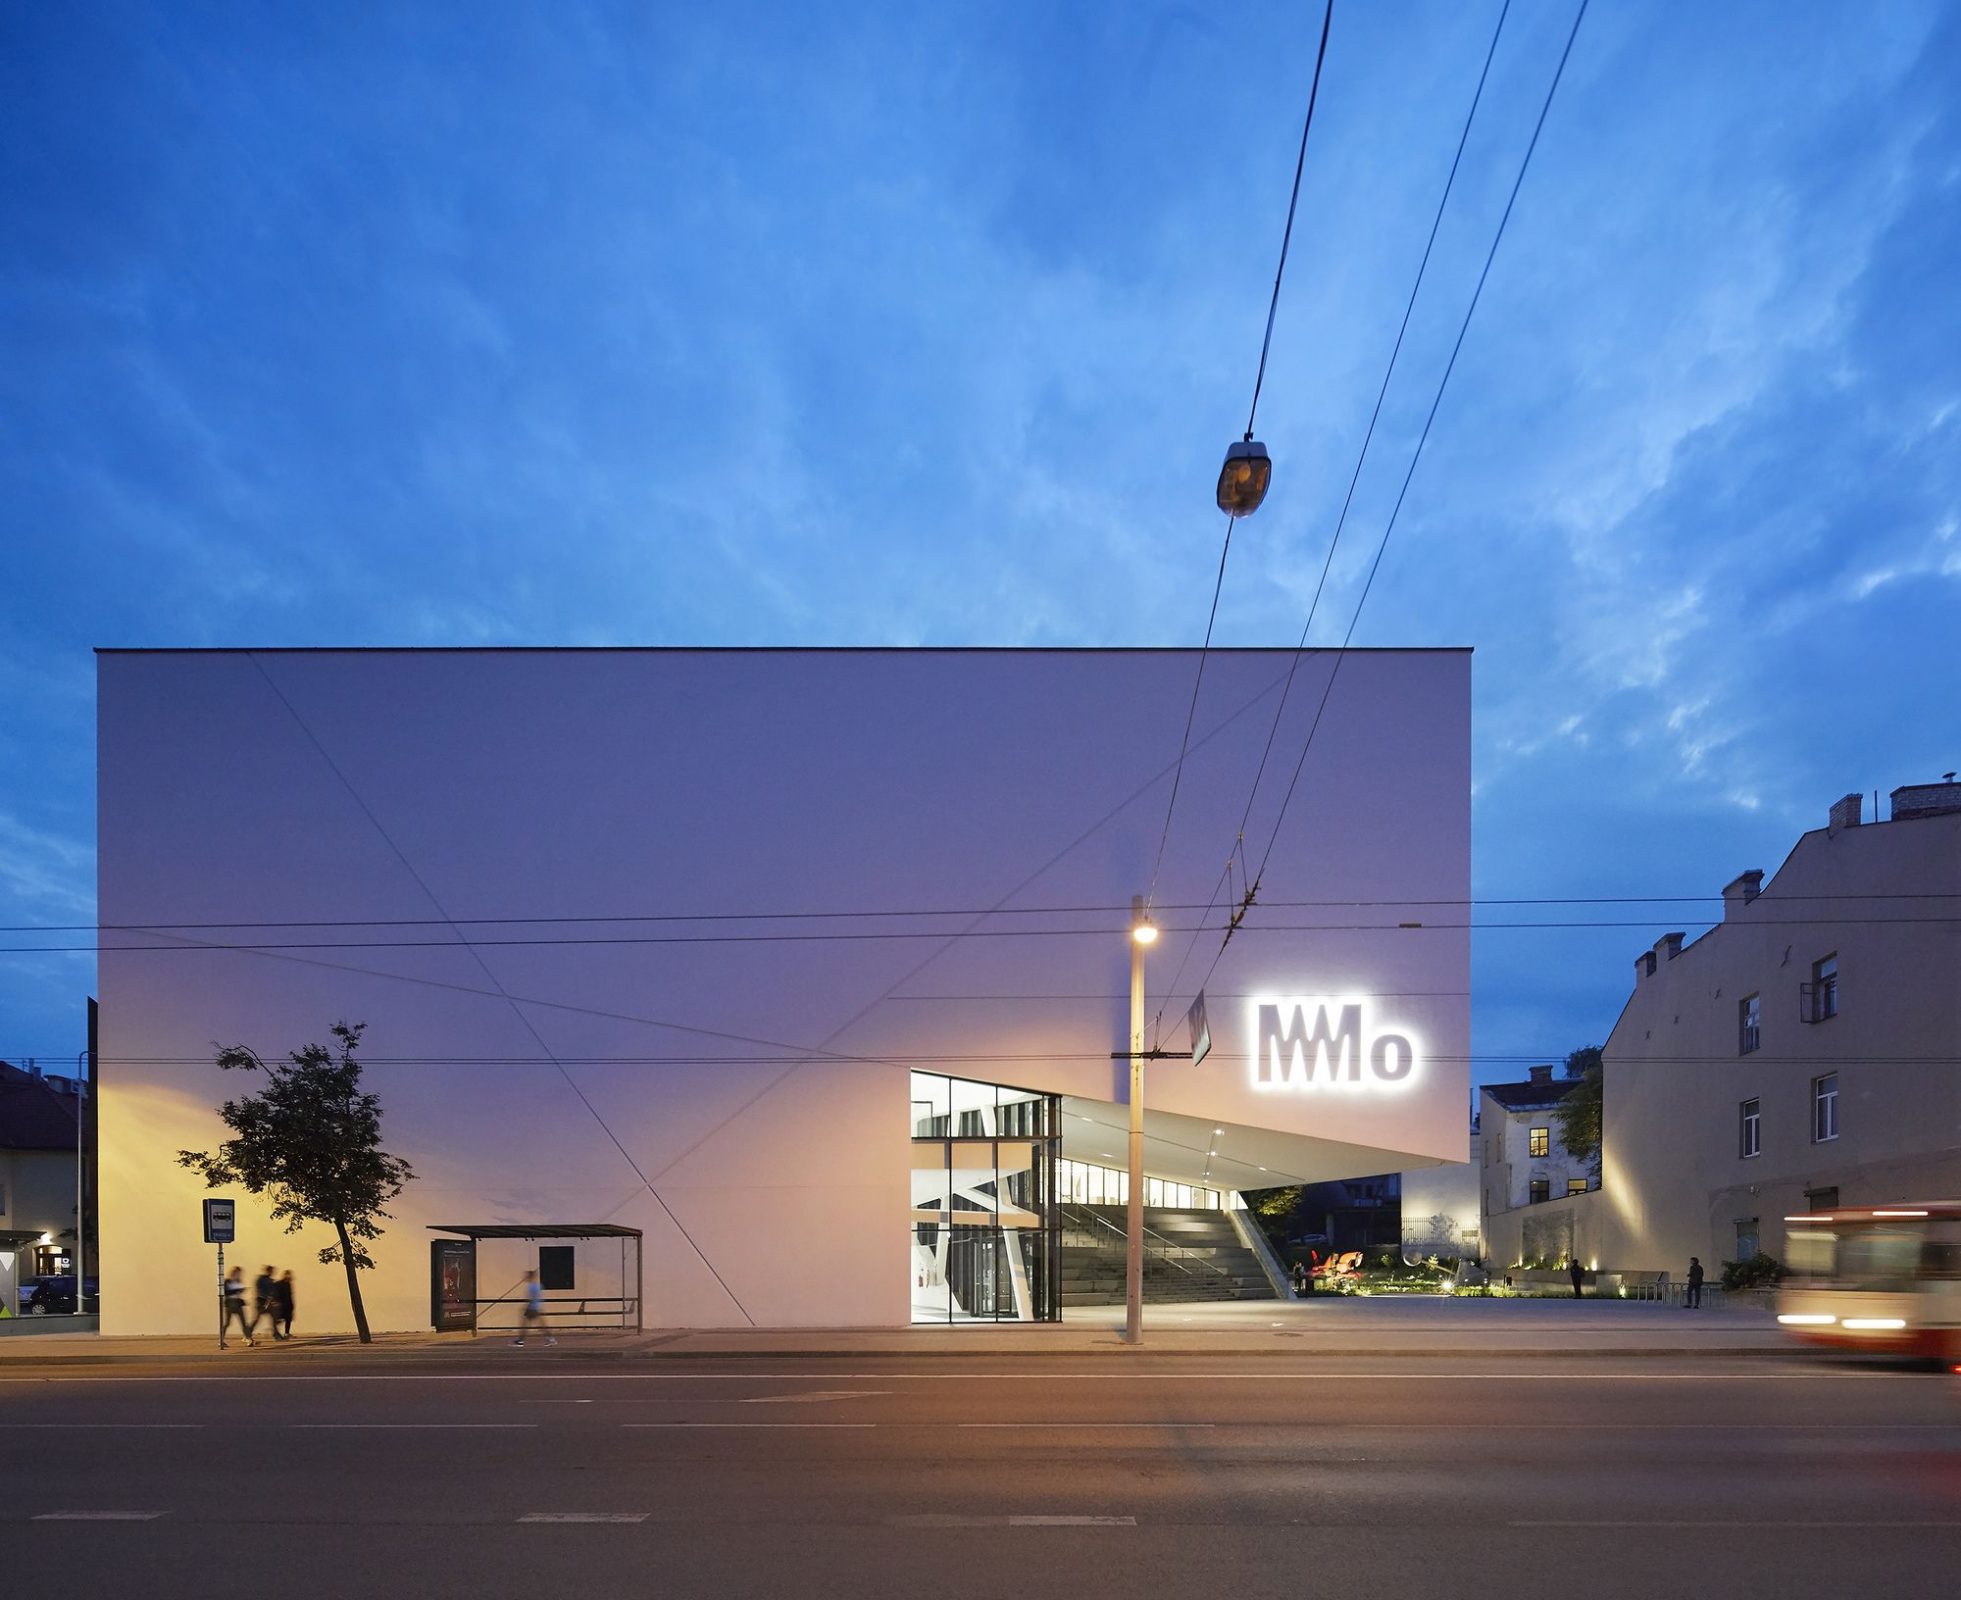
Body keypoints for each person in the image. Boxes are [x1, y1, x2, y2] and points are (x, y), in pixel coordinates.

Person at [512, 1269, 555, 1347]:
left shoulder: (531, 1286)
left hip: (532, 1308)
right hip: (536, 1307)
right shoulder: (539, 1286)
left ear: (530, 1277)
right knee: (540, 1325)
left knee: (525, 1324)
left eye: (527, 1276)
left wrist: (527, 1307)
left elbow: (531, 1298)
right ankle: (551, 1339)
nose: (525, 1277)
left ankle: (521, 1341)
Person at [222, 1266, 254, 1348]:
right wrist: (238, 1291)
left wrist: (242, 1293)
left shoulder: (239, 1281)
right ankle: (221, 1339)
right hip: (230, 1303)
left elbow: (238, 1294)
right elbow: (226, 1292)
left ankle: (248, 1338)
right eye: (238, 1273)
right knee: (227, 1323)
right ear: (234, 1273)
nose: (239, 1275)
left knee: (244, 1322)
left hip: (238, 1303)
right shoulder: (227, 1282)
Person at [251, 1264, 277, 1337]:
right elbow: (260, 1290)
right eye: (272, 1271)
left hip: (266, 1301)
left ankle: (276, 1334)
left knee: (273, 1317)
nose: (273, 1272)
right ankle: (248, 1333)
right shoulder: (263, 1280)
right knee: (257, 1319)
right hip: (262, 1301)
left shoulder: (268, 1280)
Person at [271, 1270, 295, 1341]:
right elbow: (275, 1294)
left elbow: (290, 1295)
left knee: (288, 1319)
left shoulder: (288, 1284)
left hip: (288, 1305)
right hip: (281, 1305)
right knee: (279, 1319)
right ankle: (275, 1333)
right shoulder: (279, 1283)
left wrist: (292, 1305)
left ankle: (286, 1333)